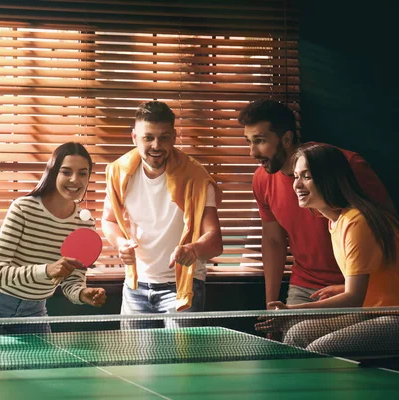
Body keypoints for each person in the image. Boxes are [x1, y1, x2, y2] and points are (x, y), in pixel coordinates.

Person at [239, 99, 395, 312]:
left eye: (260, 140)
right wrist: (272, 306)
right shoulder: (262, 180)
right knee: (293, 337)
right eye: (249, 141)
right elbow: (274, 241)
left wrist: (348, 287)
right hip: (305, 284)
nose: (252, 152)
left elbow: (387, 228)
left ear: (286, 139)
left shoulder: (348, 166)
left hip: (358, 287)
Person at [267, 143, 399, 354]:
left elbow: (354, 298)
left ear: (329, 179)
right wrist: (340, 288)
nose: (297, 185)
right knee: (296, 334)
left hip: (392, 316)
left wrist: (293, 311)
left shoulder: (357, 222)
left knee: (321, 348)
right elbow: (378, 276)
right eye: (296, 176)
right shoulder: (335, 222)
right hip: (372, 310)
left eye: (307, 177)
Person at [0, 142, 106, 335]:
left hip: (34, 309)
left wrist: (82, 293)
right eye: (66, 172)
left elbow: (71, 280)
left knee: (42, 365)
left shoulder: (84, 224)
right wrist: (46, 270)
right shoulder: (23, 208)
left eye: (82, 173)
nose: (75, 179)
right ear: (53, 172)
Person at [102, 101, 223, 329]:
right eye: (148, 138)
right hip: (135, 287)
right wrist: (120, 243)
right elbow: (108, 220)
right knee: (135, 363)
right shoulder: (118, 172)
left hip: (182, 287)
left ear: (174, 137)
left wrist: (194, 249)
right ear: (134, 138)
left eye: (164, 137)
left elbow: (215, 241)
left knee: (180, 364)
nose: (156, 145)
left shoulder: (196, 176)